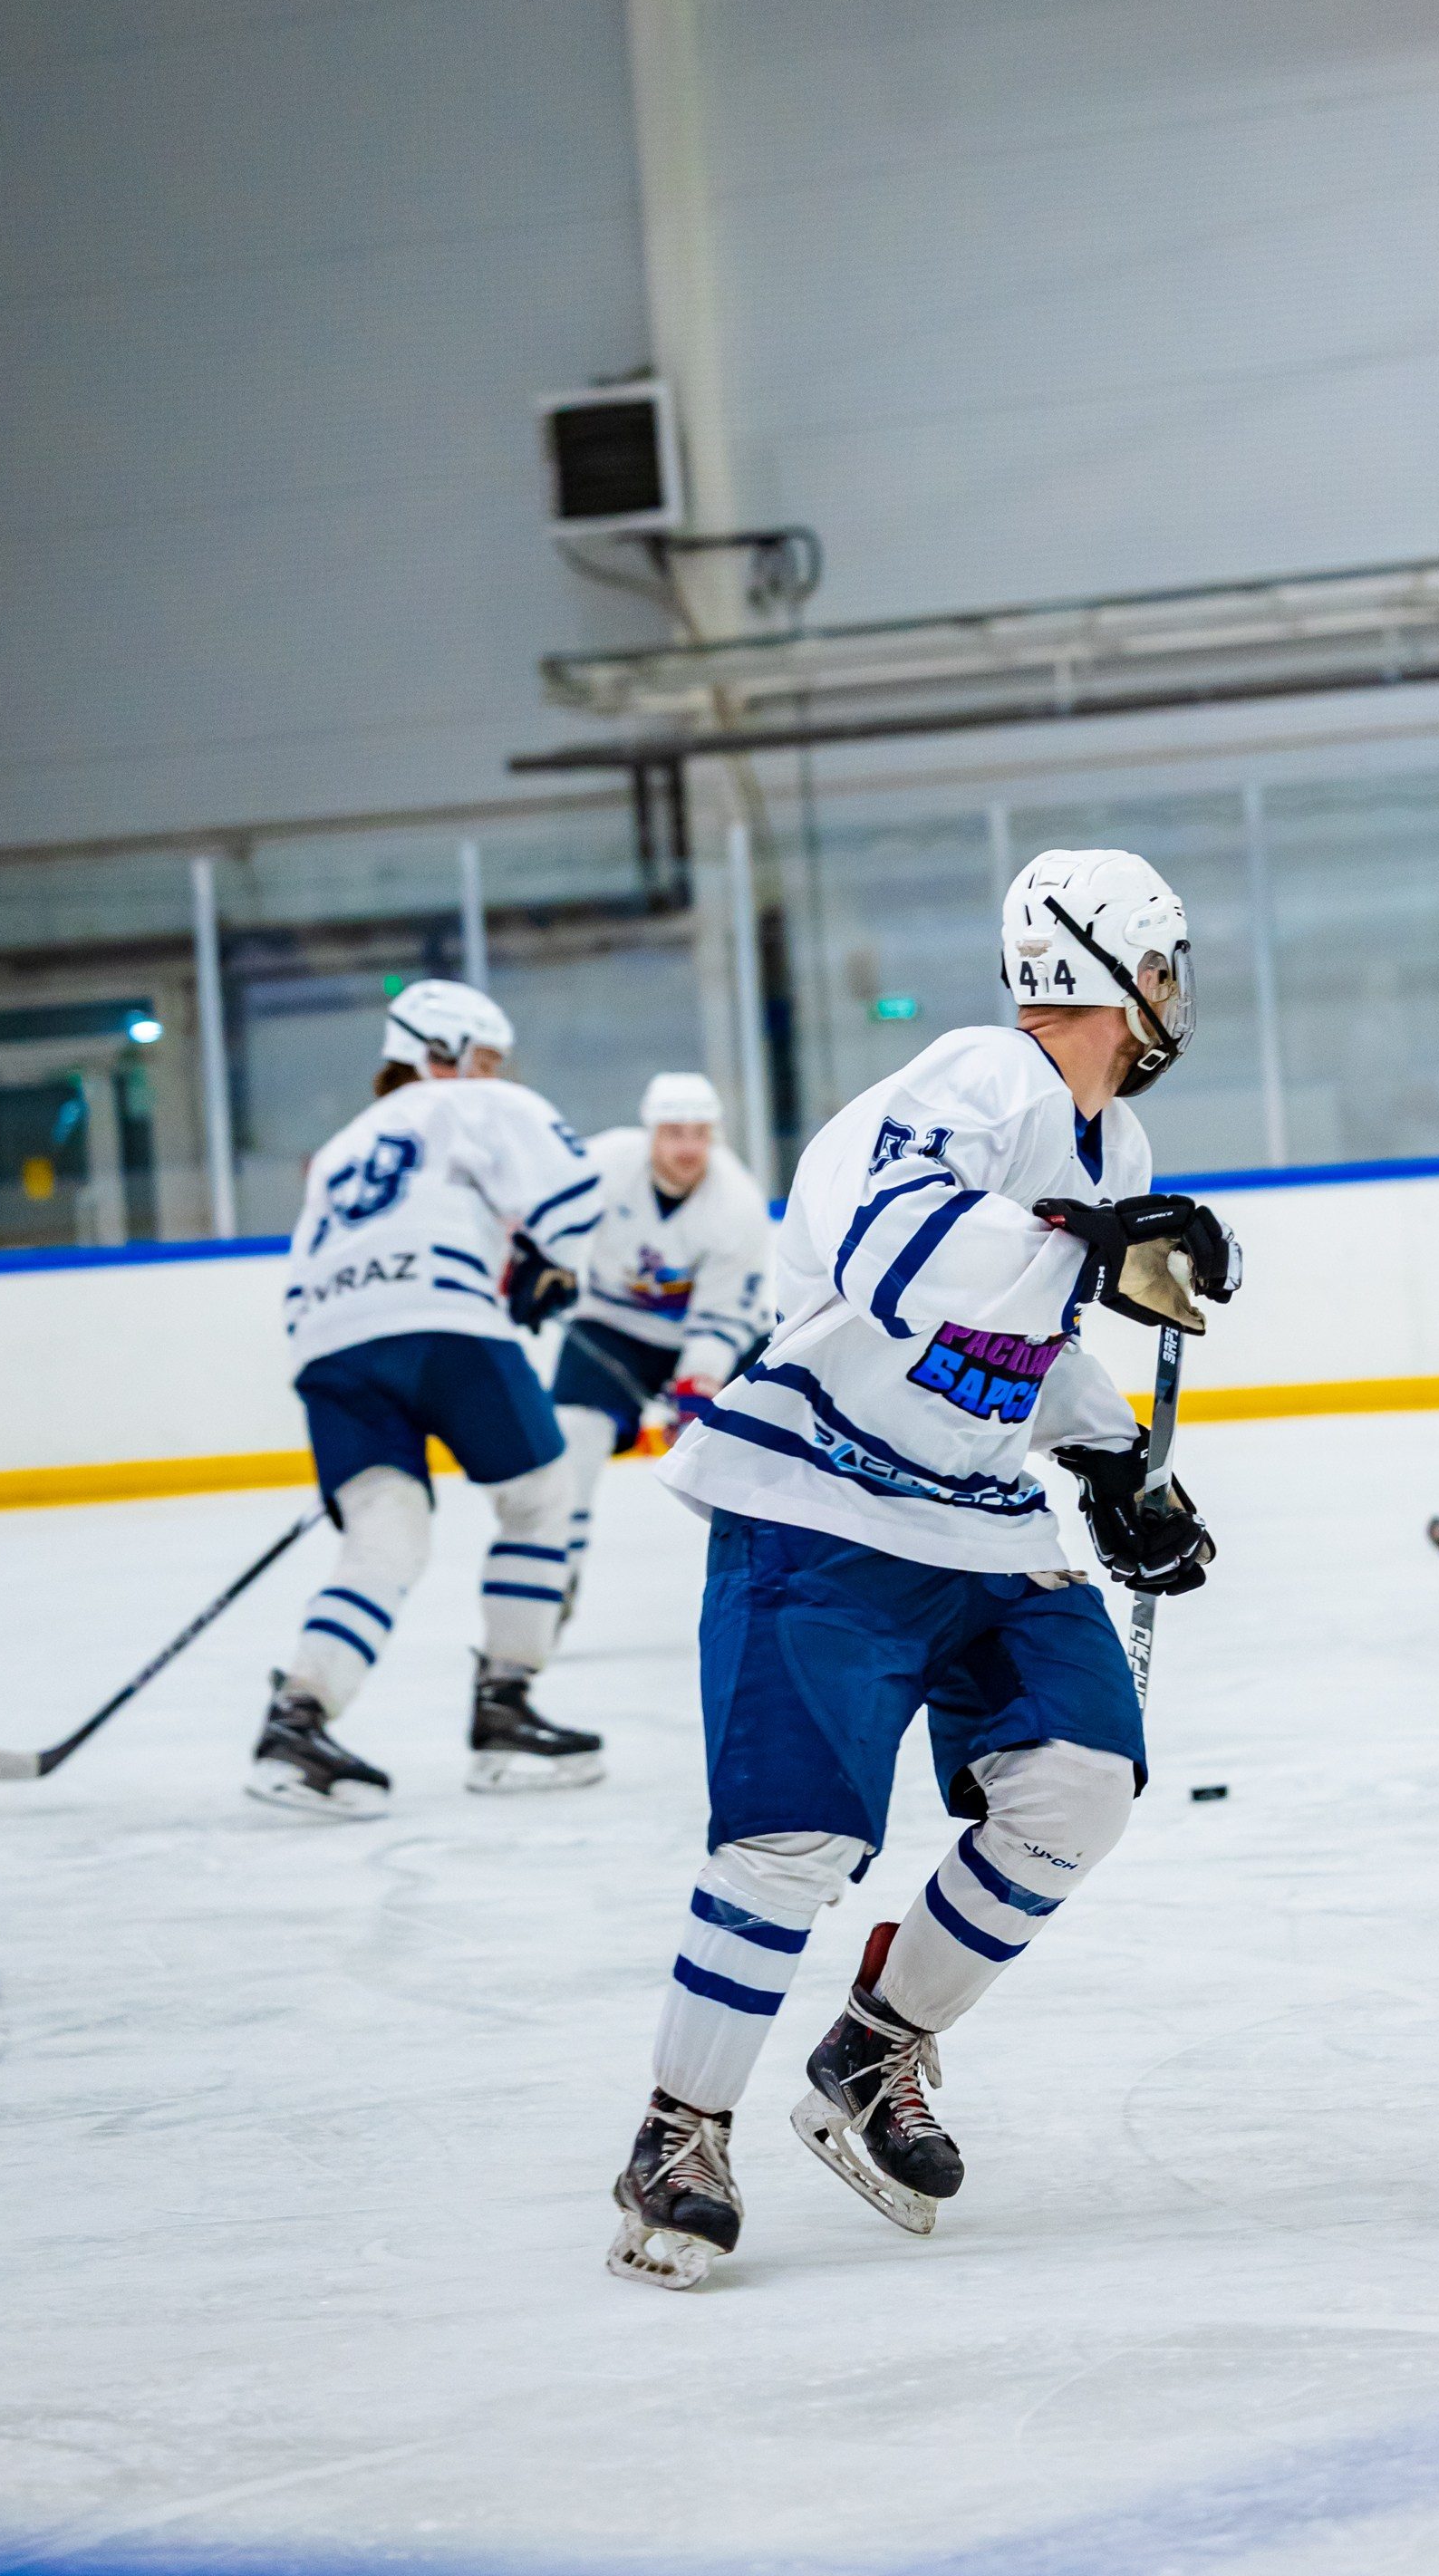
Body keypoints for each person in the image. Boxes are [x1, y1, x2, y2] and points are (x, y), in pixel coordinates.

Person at [603, 847, 1241, 2291]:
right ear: (1091, 966)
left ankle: (875, 2047)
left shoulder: (1112, 1151)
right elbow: (890, 1250)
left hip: (974, 1516)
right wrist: (1090, 1245)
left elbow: (1025, 1343)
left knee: (1083, 1782)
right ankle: (677, 2131)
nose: (1170, 995)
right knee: (793, 1846)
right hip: (817, 1501)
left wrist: (1115, 1460)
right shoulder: (978, 1078)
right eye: (1159, 965)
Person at [248, 980, 608, 1817]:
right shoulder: (476, 1104)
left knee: (386, 1535)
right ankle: (505, 1708)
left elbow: (307, 1276)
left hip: (328, 1347)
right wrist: (551, 1263)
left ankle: (296, 1723)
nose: (489, 1074)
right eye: (480, 1058)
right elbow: (571, 1190)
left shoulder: (337, 1149)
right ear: (436, 1053)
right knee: (541, 1495)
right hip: (441, 1321)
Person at [551, 1074, 772, 1622]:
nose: (688, 1147)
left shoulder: (737, 1203)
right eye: (675, 1132)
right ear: (650, 1132)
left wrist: (698, 1386)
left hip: (706, 1334)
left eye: (700, 1133)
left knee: (757, 1451)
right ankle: (553, 1576)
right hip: (611, 1327)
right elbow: (544, 1218)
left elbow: (724, 1315)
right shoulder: (602, 1165)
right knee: (572, 1441)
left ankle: (765, 1574)